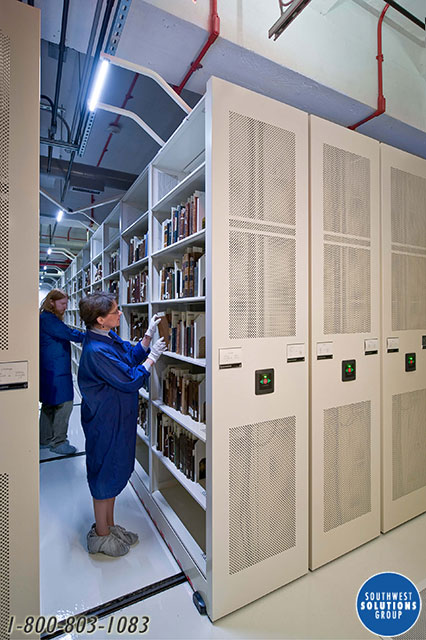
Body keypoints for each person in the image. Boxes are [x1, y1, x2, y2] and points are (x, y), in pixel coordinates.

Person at [78, 292, 167, 557]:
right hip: (105, 420)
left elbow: (128, 355)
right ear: (101, 319)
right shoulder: (96, 350)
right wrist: (152, 359)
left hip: (117, 416)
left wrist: (148, 338)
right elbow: (128, 377)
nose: (120, 314)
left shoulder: (106, 337)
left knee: (115, 469)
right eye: (115, 311)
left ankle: (110, 525)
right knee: (104, 471)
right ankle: (101, 535)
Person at [39, 289, 85, 455]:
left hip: (49, 369)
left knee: (49, 405)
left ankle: (44, 440)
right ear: (52, 302)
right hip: (55, 370)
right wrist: (91, 336)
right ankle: (58, 442)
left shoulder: (45, 317)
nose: (66, 307)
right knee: (65, 404)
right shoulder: (49, 320)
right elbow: (68, 333)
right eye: (63, 303)